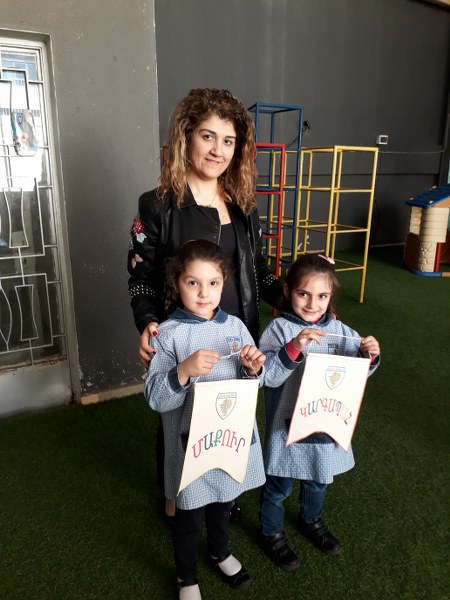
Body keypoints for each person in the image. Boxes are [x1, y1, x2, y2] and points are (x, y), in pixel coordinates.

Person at [127, 88, 284, 517]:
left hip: (236, 338)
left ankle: (223, 486)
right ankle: (175, 493)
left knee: (228, 417)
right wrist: (147, 322)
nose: (218, 150)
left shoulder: (244, 206)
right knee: (179, 417)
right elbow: (140, 276)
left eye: (228, 140)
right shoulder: (157, 206)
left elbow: (260, 272)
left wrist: (296, 295)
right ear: (186, 137)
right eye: (208, 136)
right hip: (185, 339)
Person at [144, 240, 267, 600]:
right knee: (188, 517)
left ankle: (219, 552)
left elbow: (252, 385)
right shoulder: (167, 335)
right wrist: (182, 370)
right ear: (176, 283)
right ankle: (186, 577)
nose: (204, 293)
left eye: (213, 283)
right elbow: (155, 398)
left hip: (228, 442)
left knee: (223, 504)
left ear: (224, 282)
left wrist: (251, 369)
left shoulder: (237, 327)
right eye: (192, 282)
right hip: (191, 451)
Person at [258, 253, 381, 571]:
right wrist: (295, 347)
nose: (313, 304)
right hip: (285, 429)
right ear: (288, 291)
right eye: (303, 294)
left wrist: (368, 356)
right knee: (278, 486)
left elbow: (356, 376)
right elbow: (266, 377)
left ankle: (311, 519)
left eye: (322, 296)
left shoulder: (343, 332)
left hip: (325, 426)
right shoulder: (278, 330)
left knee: (318, 480)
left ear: (331, 296)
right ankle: (271, 533)